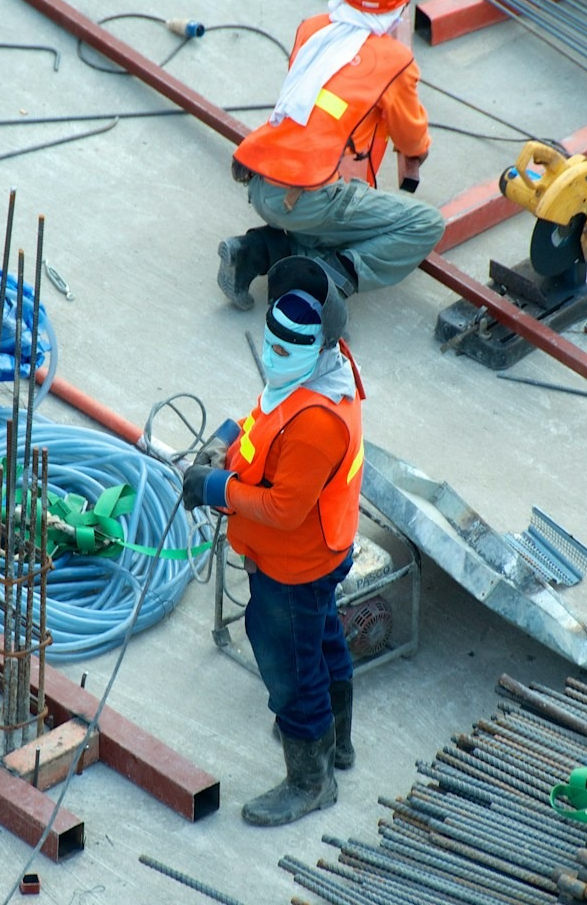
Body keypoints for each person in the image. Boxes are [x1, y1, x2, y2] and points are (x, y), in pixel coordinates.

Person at [181, 256, 366, 826]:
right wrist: (226, 442)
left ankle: (312, 782)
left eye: (289, 348)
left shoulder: (317, 422)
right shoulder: (316, 374)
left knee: (291, 671)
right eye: (272, 342)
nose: (275, 356)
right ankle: (336, 744)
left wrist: (218, 486)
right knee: (323, 640)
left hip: (295, 564)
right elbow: (265, 419)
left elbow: (285, 509)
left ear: (320, 344)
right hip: (319, 555)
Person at [219, 0, 444, 309]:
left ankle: (253, 252)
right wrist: (418, 151)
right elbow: (410, 137)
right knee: (424, 224)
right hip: (307, 195)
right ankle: (328, 279)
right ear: (401, 4)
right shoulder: (394, 60)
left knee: (335, 214)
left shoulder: (314, 28)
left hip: (262, 180)